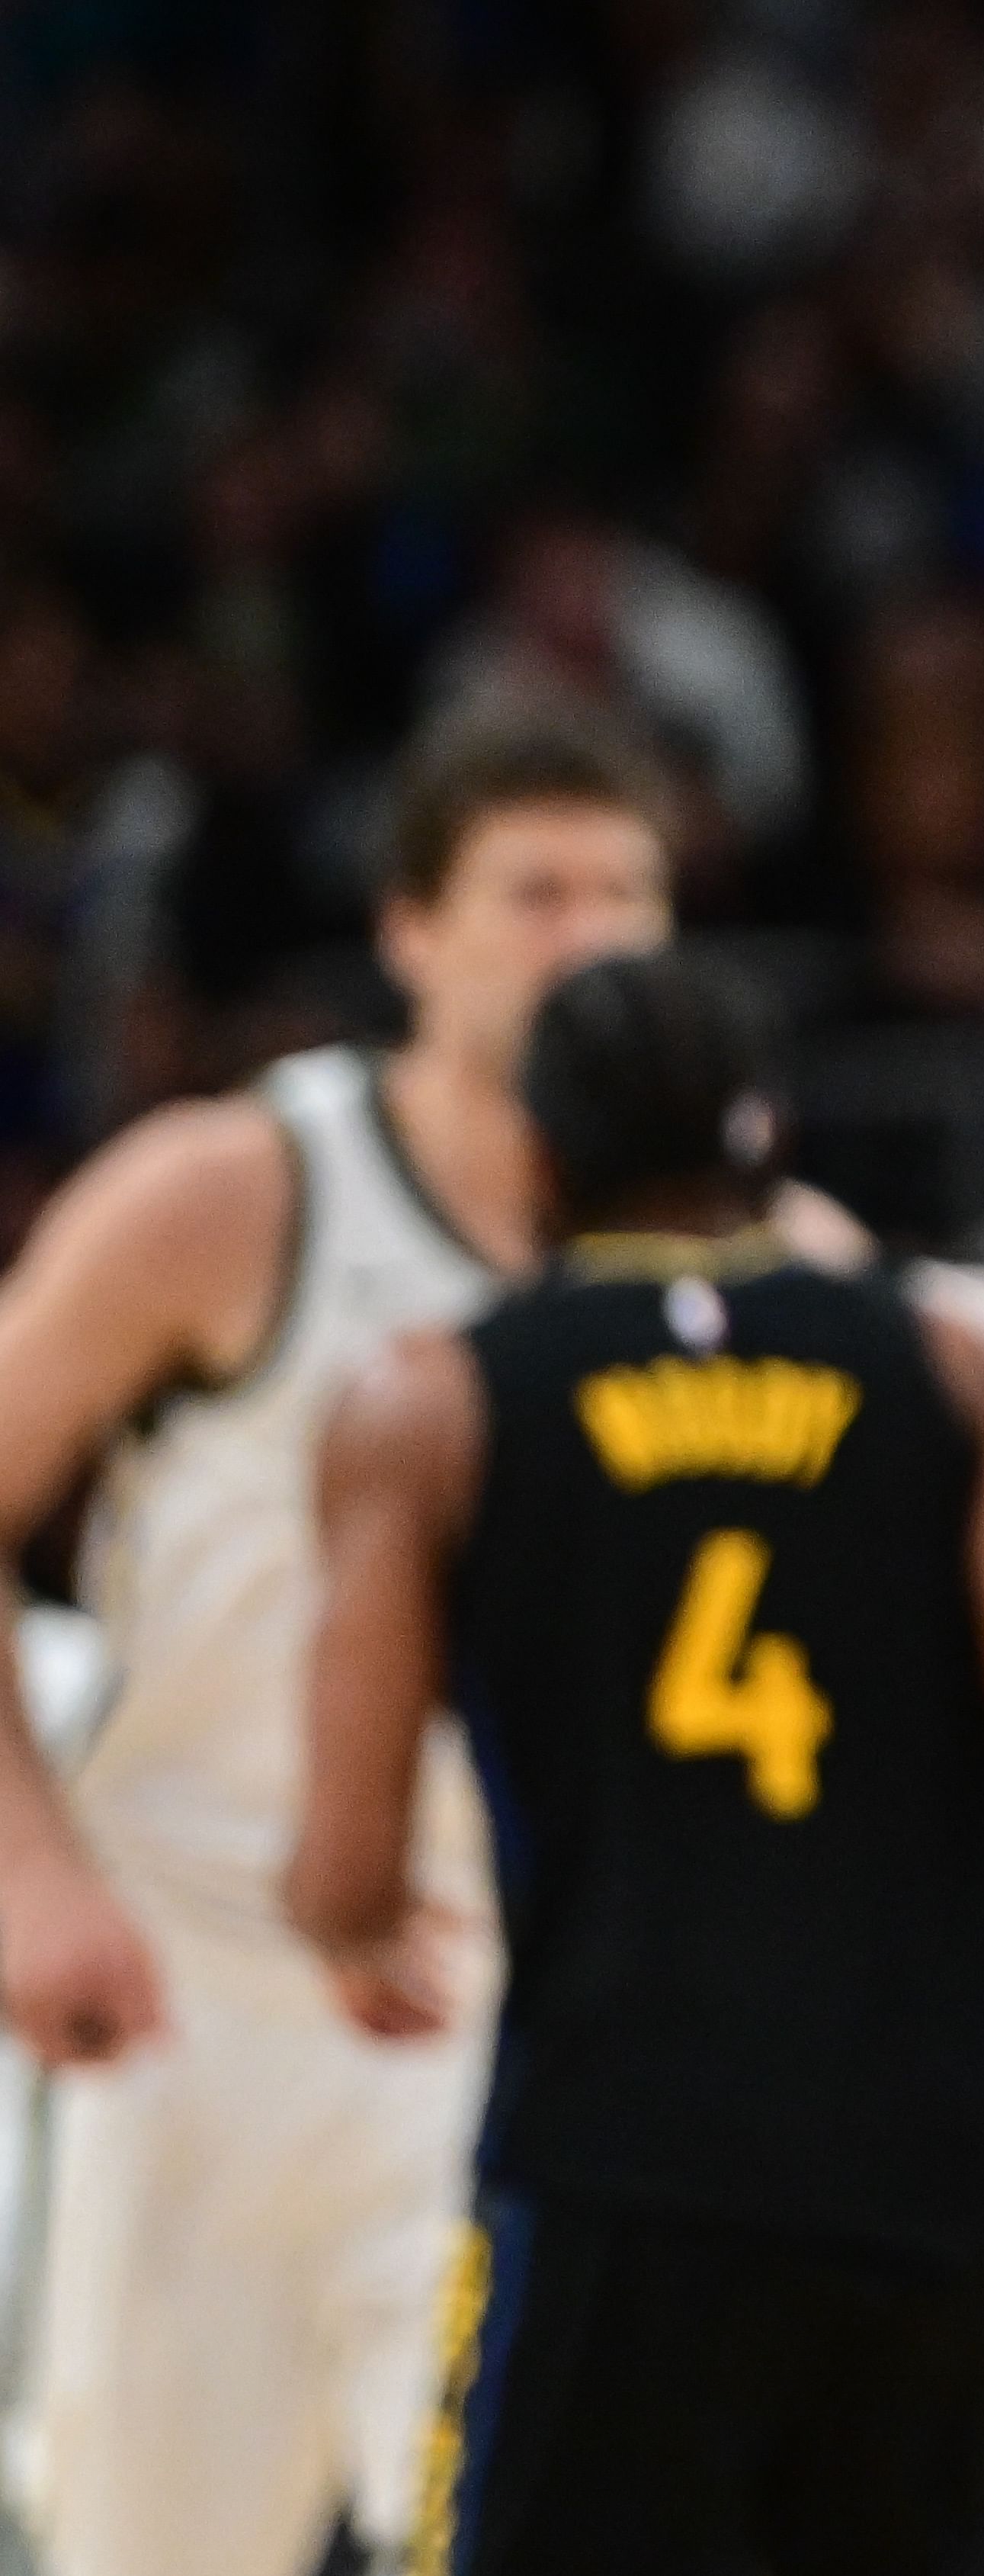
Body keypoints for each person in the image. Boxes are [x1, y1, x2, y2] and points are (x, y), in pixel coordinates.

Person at [284, 949, 984, 2575]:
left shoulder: (431, 1400)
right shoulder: (971, 1353)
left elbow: (342, 1861)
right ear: (770, 1139)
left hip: (628, 2160)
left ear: (538, 1158)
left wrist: (351, 1937)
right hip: (944, 2161)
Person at [0, 700, 681, 2576]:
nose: (591, 937)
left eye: (629, 894)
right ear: (411, 935)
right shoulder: (238, 1191)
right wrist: (30, 1870)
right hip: (185, 2004)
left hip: (522, 2035)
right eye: (535, 892)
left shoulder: (739, 1258)